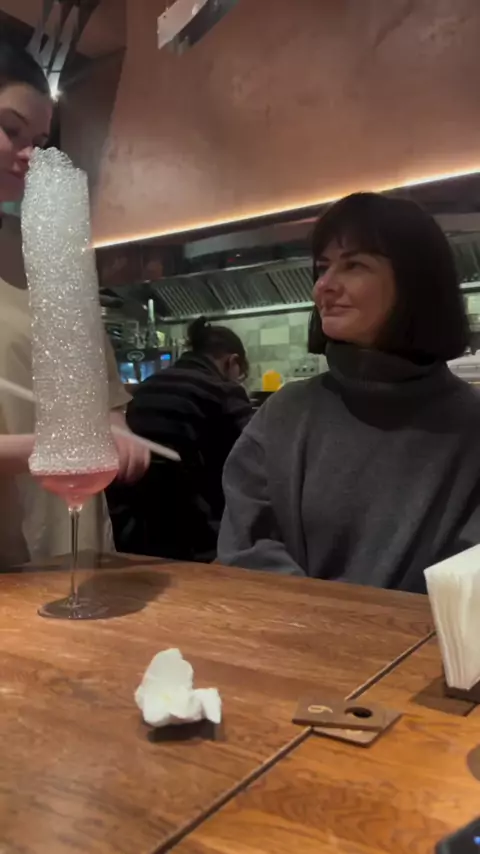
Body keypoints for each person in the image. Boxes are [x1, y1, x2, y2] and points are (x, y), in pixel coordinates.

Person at [217, 192, 480, 592]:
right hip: (290, 626)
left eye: (354, 265)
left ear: (416, 282)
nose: (324, 286)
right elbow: (246, 545)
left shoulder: (470, 424)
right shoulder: (284, 413)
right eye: (323, 267)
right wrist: (326, 620)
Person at [0, 41, 149, 567]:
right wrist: (55, 448)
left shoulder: (49, 246)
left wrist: (117, 432)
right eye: (10, 129)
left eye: (38, 141)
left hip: (73, 541)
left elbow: (101, 393)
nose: (29, 155)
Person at [108, 316, 252, 561]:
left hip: (135, 529)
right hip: (198, 533)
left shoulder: (147, 386)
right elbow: (254, 457)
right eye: (241, 374)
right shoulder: (223, 391)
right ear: (232, 362)